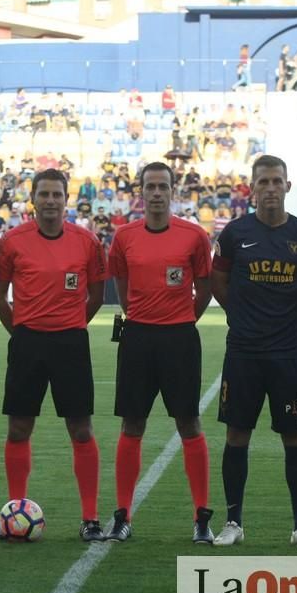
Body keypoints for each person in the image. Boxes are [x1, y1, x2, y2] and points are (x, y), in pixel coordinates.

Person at [208, 154, 297, 548]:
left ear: (288, 186)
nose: (271, 188)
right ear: (252, 188)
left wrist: (284, 321)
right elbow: (219, 284)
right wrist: (245, 318)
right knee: (237, 434)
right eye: (264, 182)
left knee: (295, 436)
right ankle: (233, 523)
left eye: (278, 181)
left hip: (290, 354)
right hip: (244, 352)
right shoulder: (233, 235)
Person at [0, 168, 108, 542]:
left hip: (70, 343)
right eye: (44, 194)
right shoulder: (11, 242)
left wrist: (71, 325)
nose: (51, 200)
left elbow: (97, 296)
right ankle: (14, 511)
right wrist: (21, 331)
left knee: (81, 429)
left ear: (66, 200)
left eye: (57, 194)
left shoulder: (87, 242)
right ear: (34, 199)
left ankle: (89, 517)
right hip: (27, 344)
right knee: (19, 428)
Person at [105, 162, 214, 543]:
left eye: (162, 186)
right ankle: (122, 515)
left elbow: (205, 288)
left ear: (173, 191)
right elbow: (121, 281)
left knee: (189, 424)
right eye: (149, 186)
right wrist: (138, 317)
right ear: (140, 191)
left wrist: (183, 320)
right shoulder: (124, 236)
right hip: (137, 339)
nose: (156, 193)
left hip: (180, 339)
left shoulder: (194, 236)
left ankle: (201, 516)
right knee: (132, 425)